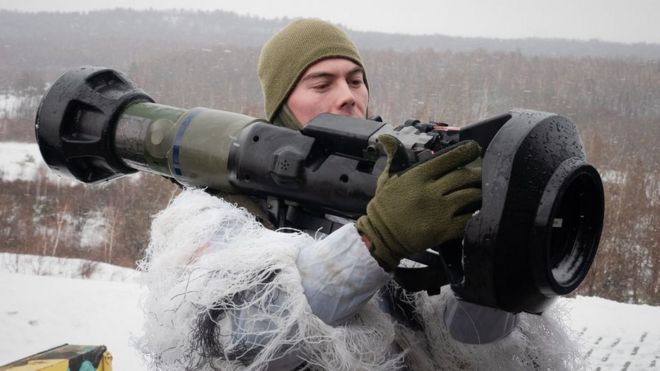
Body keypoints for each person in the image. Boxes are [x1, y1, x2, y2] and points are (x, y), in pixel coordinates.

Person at [139, 19, 578, 371]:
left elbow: (469, 352)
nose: (348, 97)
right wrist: (375, 242)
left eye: (355, 80)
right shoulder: (215, 213)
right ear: (281, 108)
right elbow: (247, 338)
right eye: (321, 83)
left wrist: (490, 271)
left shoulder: (396, 193)